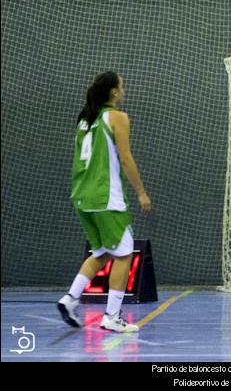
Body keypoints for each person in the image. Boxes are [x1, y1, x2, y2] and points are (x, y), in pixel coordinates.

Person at [57, 72, 151, 333]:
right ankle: (111, 316)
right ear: (113, 92)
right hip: (105, 197)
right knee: (124, 255)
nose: (124, 89)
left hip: (81, 196)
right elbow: (125, 159)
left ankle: (70, 299)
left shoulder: (85, 120)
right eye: (122, 85)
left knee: (100, 252)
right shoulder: (116, 117)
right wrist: (141, 192)